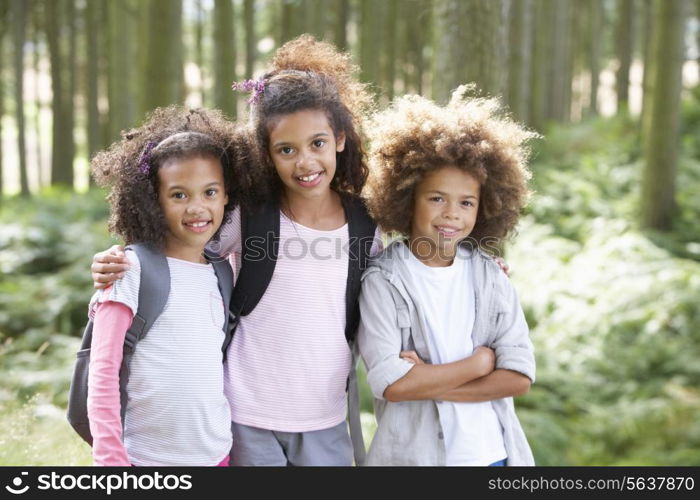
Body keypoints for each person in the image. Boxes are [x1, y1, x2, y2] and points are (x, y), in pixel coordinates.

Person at [89, 36, 380, 466]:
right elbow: (181, 246)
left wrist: (474, 261)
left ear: (339, 138)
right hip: (245, 416)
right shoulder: (250, 217)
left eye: (317, 143)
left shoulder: (365, 225)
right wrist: (115, 261)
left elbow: (399, 278)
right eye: (286, 149)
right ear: (267, 153)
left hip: (325, 416)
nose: (305, 162)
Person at [357, 87, 537, 466]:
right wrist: (478, 366)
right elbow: (393, 385)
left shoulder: (491, 277)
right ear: (407, 199)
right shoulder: (383, 283)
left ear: (483, 207)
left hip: (495, 457)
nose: (452, 214)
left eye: (466, 203)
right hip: (416, 460)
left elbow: (518, 377)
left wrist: (432, 381)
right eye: (437, 198)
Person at [87, 106, 247, 466]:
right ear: (153, 200)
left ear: (225, 196)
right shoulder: (130, 269)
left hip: (216, 456)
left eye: (209, 192)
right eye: (179, 195)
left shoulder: (223, 272)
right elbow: (102, 375)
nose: (197, 208)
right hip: (145, 461)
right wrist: (111, 460)